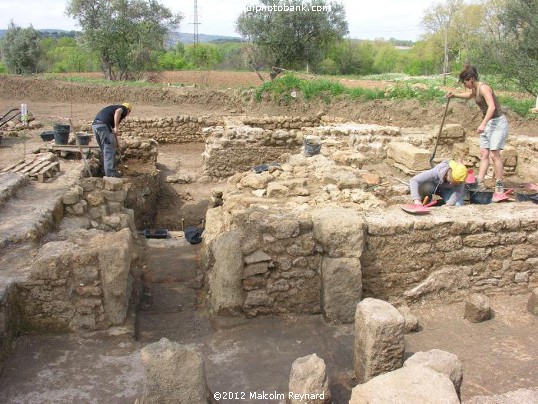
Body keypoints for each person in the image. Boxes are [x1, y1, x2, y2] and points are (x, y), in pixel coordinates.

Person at [446, 64, 509, 193]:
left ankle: (499, 183)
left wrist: (483, 124)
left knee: (494, 155)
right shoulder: (474, 89)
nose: (465, 85)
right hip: (488, 123)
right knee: (484, 153)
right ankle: (479, 181)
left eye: (465, 83)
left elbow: (492, 107)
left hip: (497, 123)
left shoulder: (484, 88)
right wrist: (455, 95)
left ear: (471, 79)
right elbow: (469, 95)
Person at [91, 103, 131, 177]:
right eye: (129, 113)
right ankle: (110, 174)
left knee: (104, 150)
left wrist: (116, 142)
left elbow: (113, 132)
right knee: (109, 150)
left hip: (95, 125)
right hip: (103, 126)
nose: (127, 115)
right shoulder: (123, 109)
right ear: (128, 110)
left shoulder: (111, 112)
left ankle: (105, 170)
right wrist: (116, 127)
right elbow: (118, 111)